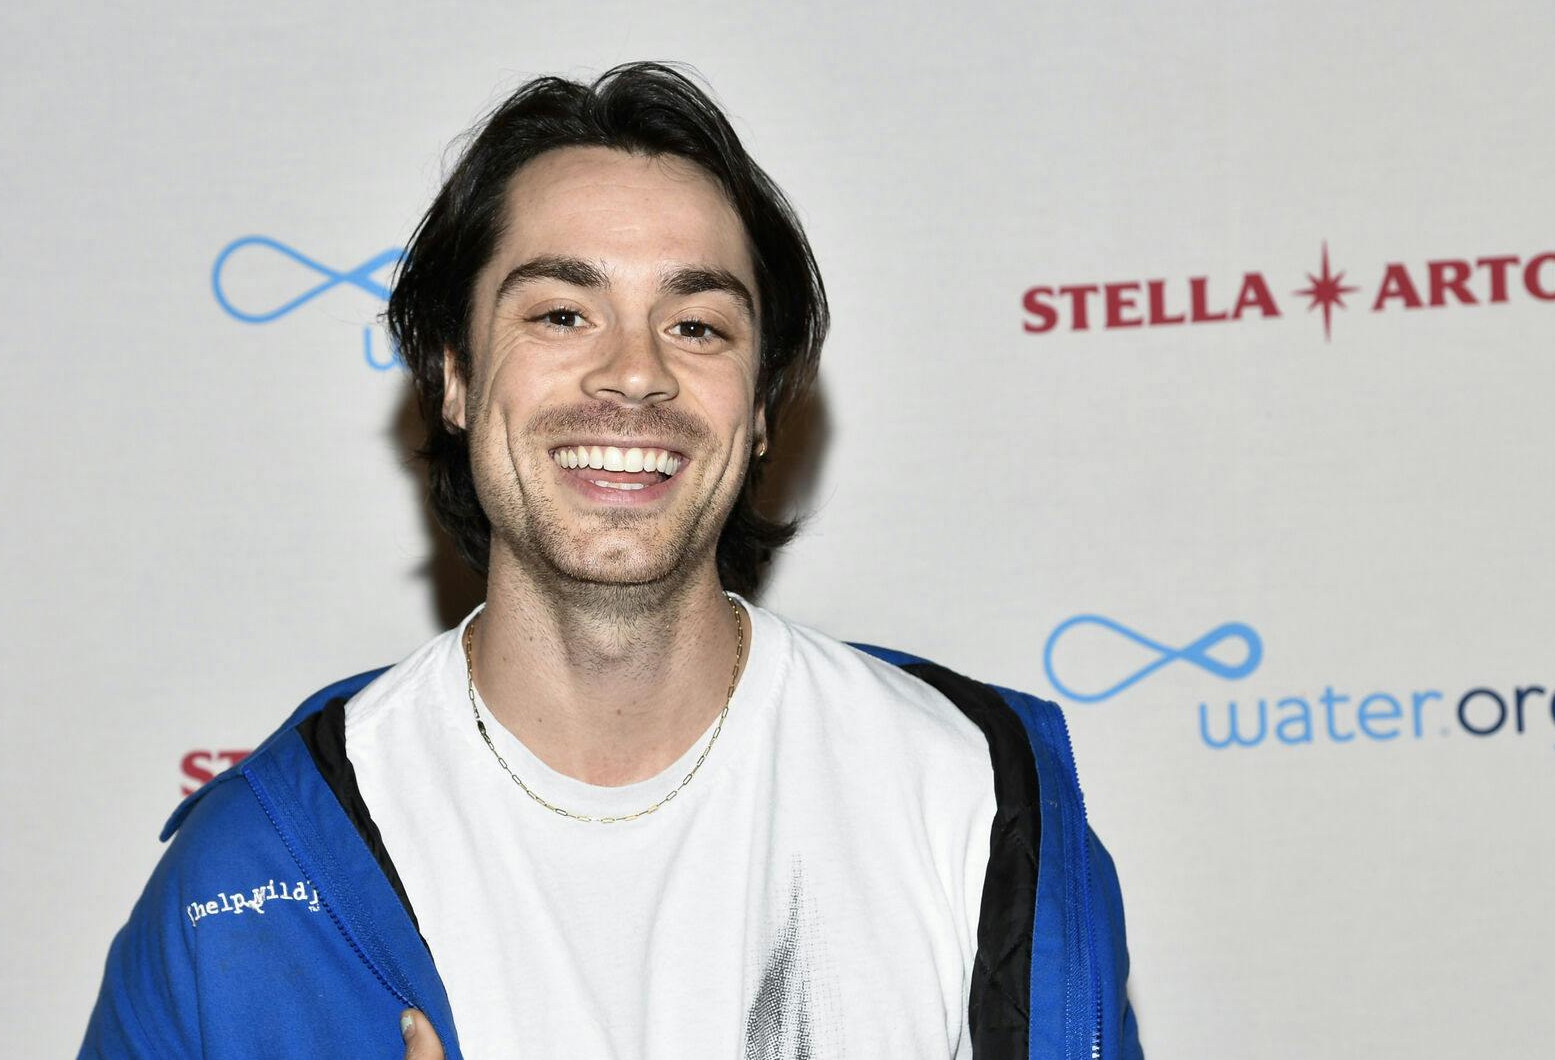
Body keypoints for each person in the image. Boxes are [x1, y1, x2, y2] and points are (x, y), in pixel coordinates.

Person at [81, 61, 1141, 1060]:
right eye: (561, 313)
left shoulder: (975, 799)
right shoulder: (252, 876)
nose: (634, 374)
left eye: (696, 325)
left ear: (764, 407)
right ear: (451, 376)